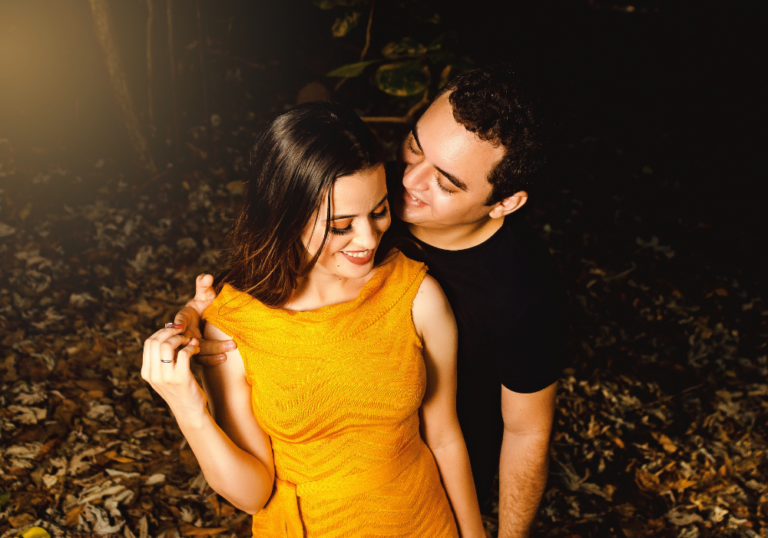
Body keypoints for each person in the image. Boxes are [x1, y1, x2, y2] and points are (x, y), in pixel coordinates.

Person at [178, 64, 565, 538]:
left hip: (434, 482)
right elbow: (298, 188)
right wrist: (199, 315)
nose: (409, 183)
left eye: (445, 183)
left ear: (504, 203)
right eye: (414, 147)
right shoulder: (371, 180)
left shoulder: (518, 293)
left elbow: (520, 434)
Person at [142, 102, 485, 538]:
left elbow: (444, 438)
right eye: (340, 225)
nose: (367, 239)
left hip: (423, 523)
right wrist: (187, 408)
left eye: (379, 211)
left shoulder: (415, 294)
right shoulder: (234, 326)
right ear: (285, 218)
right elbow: (253, 494)